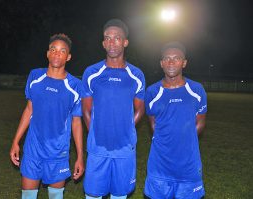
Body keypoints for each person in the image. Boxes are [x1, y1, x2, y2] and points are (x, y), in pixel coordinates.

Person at [9, 33, 84, 199]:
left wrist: (80, 156)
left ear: (68, 57)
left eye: (62, 51)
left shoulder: (75, 86)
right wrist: (16, 141)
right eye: (53, 49)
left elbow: (77, 122)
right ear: (47, 53)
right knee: (28, 196)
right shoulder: (35, 76)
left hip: (58, 152)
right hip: (33, 150)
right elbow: (29, 109)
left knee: (55, 196)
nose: (57, 53)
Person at [82, 19, 146, 199]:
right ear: (103, 43)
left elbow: (140, 108)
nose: (112, 42)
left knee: (120, 194)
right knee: (93, 194)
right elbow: (86, 109)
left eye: (117, 38)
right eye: (107, 38)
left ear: (125, 42)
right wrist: (95, 130)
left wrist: (126, 127)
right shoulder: (91, 72)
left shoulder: (136, 75)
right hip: (98, 147)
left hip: (124, 147)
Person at [144, 41, 207, 199]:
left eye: (176, 58)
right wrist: (166, 141)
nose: (171, 62)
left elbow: (200, 123)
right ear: (161, 63)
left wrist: (184, 140)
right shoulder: (152, 92)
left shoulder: (197, 90)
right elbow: (153, 123)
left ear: (184, 63)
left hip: (189, 166)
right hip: (159, 166)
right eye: (167, 58)